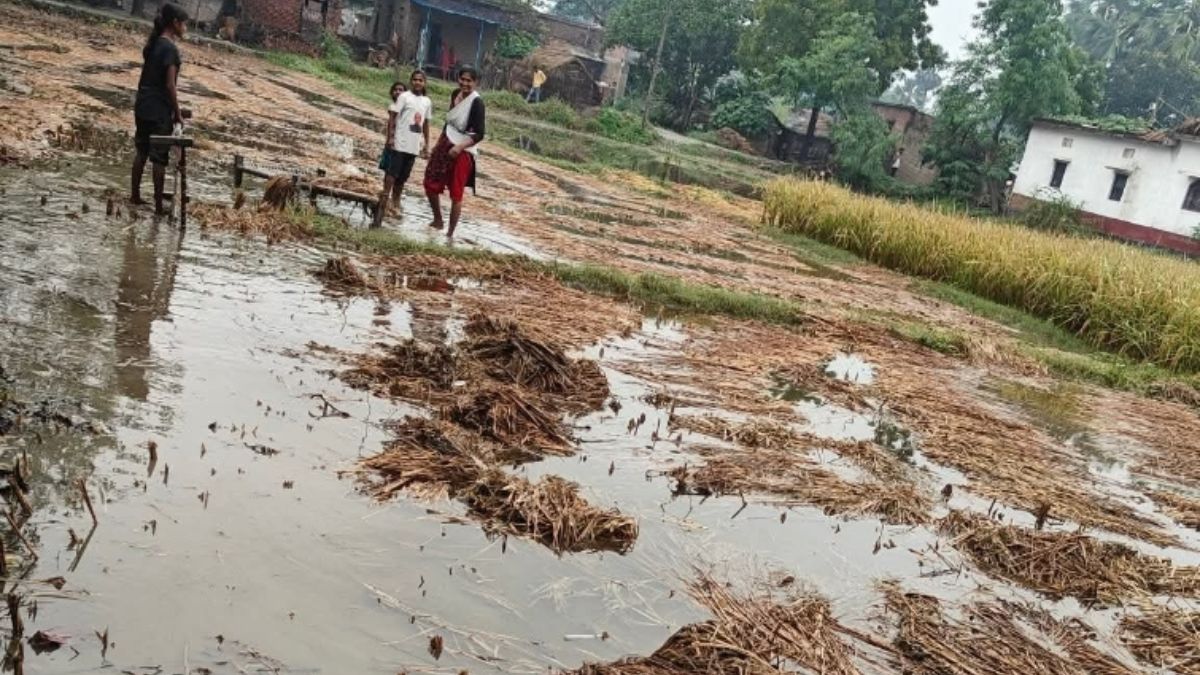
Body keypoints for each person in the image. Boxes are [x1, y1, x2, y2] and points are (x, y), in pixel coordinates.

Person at [131, 3, 188, 215]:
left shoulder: (154, 44)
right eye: (184, 25)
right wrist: (178, 113)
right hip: (158, 110)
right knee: (159, 158)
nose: (185, 29)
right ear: (175, 24)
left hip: (142, 105)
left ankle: (135, 196)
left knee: (142, 151)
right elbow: (169, 85)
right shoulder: (171, 50)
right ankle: (157, 207)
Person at [424, 65, 485, 239]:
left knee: (456, 192)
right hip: (446, 141)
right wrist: (439, 143)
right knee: (430, 181)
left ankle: (450, 233)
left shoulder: (477, 103)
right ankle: (437, 220)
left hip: (463, 150)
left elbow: (479, 133)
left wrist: (459, 147)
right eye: (462, 79)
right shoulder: (454, 95)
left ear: (475, 83)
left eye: (469, 81)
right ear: (458, 79)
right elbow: (450, 122)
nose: (465, 83)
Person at [374, 71, 432, 228]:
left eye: (420, 80)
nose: (417, 82)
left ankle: (396, 202)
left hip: (413, 146)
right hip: (400, 142)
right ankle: (384, 199)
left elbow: (426, 124)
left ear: (424, 82)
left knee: (403, 176)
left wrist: (427, 144)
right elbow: (393, 118)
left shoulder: (426, 101)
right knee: (392, 173)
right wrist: (391, 138)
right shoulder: (404, 97)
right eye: (415, 80)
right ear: (411, 81)